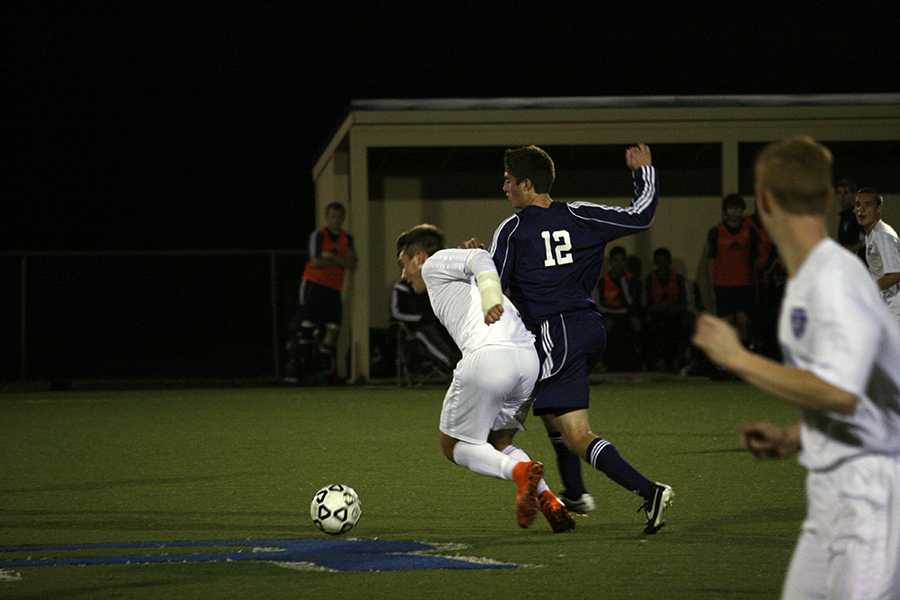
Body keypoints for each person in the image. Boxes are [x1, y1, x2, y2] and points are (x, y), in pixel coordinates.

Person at [692, 136, 900, 600]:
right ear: (828, 199)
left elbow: (842, 392)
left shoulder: (833, 279)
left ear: (761, 200)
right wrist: (792, 438)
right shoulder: (815, 278)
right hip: (831, 495)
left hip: (873, 499)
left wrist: (738, 358)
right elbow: (858, 398)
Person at [482, 143, 673, 534]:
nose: (503, 187)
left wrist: (474, 263)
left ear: (527, 184)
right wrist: (644, 173)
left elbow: (491, 288)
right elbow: (641, 215)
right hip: (587, 328)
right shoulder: (580, 215)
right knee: (555, 419)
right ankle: (573, 493)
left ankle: (647, 490)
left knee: (565, 434)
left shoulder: (513, 230)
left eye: (508, 180)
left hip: (555, 332)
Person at [397, 224, 575, 533]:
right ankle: (550, 501)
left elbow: (479, 258)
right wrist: (482, 272)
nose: (403, 275)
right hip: (526, 360)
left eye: (403, 264)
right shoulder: (455, 273)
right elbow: (479, 262)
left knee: (453, 445)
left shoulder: (434, 263)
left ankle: (519, 471)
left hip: (491, 358)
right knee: (499, 440)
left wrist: (491, 294)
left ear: (419, 257)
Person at [284, 202, 357, 384]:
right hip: (314, 286)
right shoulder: (318, 235)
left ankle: (322, 370)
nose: (336, 220)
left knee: (333, 329)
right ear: (327, 217)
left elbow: (351, 264)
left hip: (334, 289)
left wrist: (331, 257)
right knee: (306, 327)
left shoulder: (346, 238)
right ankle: (299, 372)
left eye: (339, 217)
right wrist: (339, 261)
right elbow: (315, 261)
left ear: (343, 218)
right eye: (332, 216)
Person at [705, 194, 760, 348]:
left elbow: (755, 260)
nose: (734, 211)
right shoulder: (715, 232)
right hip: (722, 284)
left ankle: (744, 352)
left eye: (738, 208)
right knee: (726, 322)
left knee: (743, 321)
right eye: (731, 208)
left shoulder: (751, 232)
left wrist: (755, 284)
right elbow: (711, 261)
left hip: (744, 283)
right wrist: (711, 285)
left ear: (742, 210)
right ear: (725, 211)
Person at [390, 276, 460, 378]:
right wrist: (418, 318)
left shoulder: (427, 286)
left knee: (445, 330)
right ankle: (450, 363)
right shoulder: (400, 288)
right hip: (412, 329)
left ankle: (457, 361)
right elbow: (396, 313)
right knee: (425, 335)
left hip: (430, 323)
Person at [855, 187, 900, 326]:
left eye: (868, 205)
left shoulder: (882, 235)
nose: (861, 210)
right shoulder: (872, 233)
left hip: (895, 309)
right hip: (886, 306)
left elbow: (895, 274)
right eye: (858, 205)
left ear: (878, 209)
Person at [596, 246, 643, 371]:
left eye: (622, 260)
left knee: (635, 324)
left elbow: (632, 304)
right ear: (610, 262)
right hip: (608, 315)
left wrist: (623, 284)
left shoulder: (631, 281)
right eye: (616, 260)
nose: (619, 264)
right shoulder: (602, 281)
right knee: (606, 326)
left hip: (626, 315)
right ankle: (603, 362)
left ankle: (635, 362)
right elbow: (599, 305)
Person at [643, 247, 689, 372]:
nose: (661, 265)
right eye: (658, 262)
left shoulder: (678, 278)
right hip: (656, 315)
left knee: (682, 323)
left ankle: (677, 360)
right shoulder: (649, 279)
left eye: (664, 262)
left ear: (669, 263)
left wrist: (671, 308)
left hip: (675, 314)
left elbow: (684, 301)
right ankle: (658, 361)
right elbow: (646, 303)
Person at [835, 177, 864, 258]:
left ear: (853, 195)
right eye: (839, 193)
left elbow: (868, 241)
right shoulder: (844, 215)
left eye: (846, 193)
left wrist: (847, 250)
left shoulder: (858, 214)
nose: (842, 196)